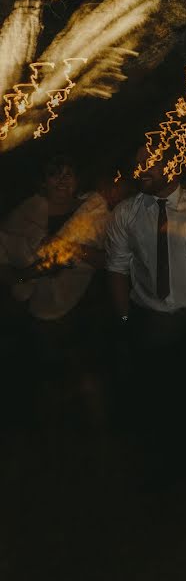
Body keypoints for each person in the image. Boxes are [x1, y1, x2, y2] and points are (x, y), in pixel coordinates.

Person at [105, 146, 186, 488]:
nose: (140, 171)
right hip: (150, 318)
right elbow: (117, 268)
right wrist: (125, 320)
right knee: (160, 400)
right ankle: (167, 473)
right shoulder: (126, 213)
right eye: (136, 164)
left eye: (148, 163)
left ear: (174, 165)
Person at [0, 155, 110, 431]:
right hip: (34, 308)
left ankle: (98, 438)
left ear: (78, 180)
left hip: (85, 302)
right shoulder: (24, 215)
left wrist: (69, 248)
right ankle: (48, 441)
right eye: (54, 174)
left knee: (87, 373)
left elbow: (109, 259)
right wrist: (22, 277)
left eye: (69, 174)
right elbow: (4, 256)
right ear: (42, 181)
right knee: (45, 377)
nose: (62, 180)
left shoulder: (93, 212)